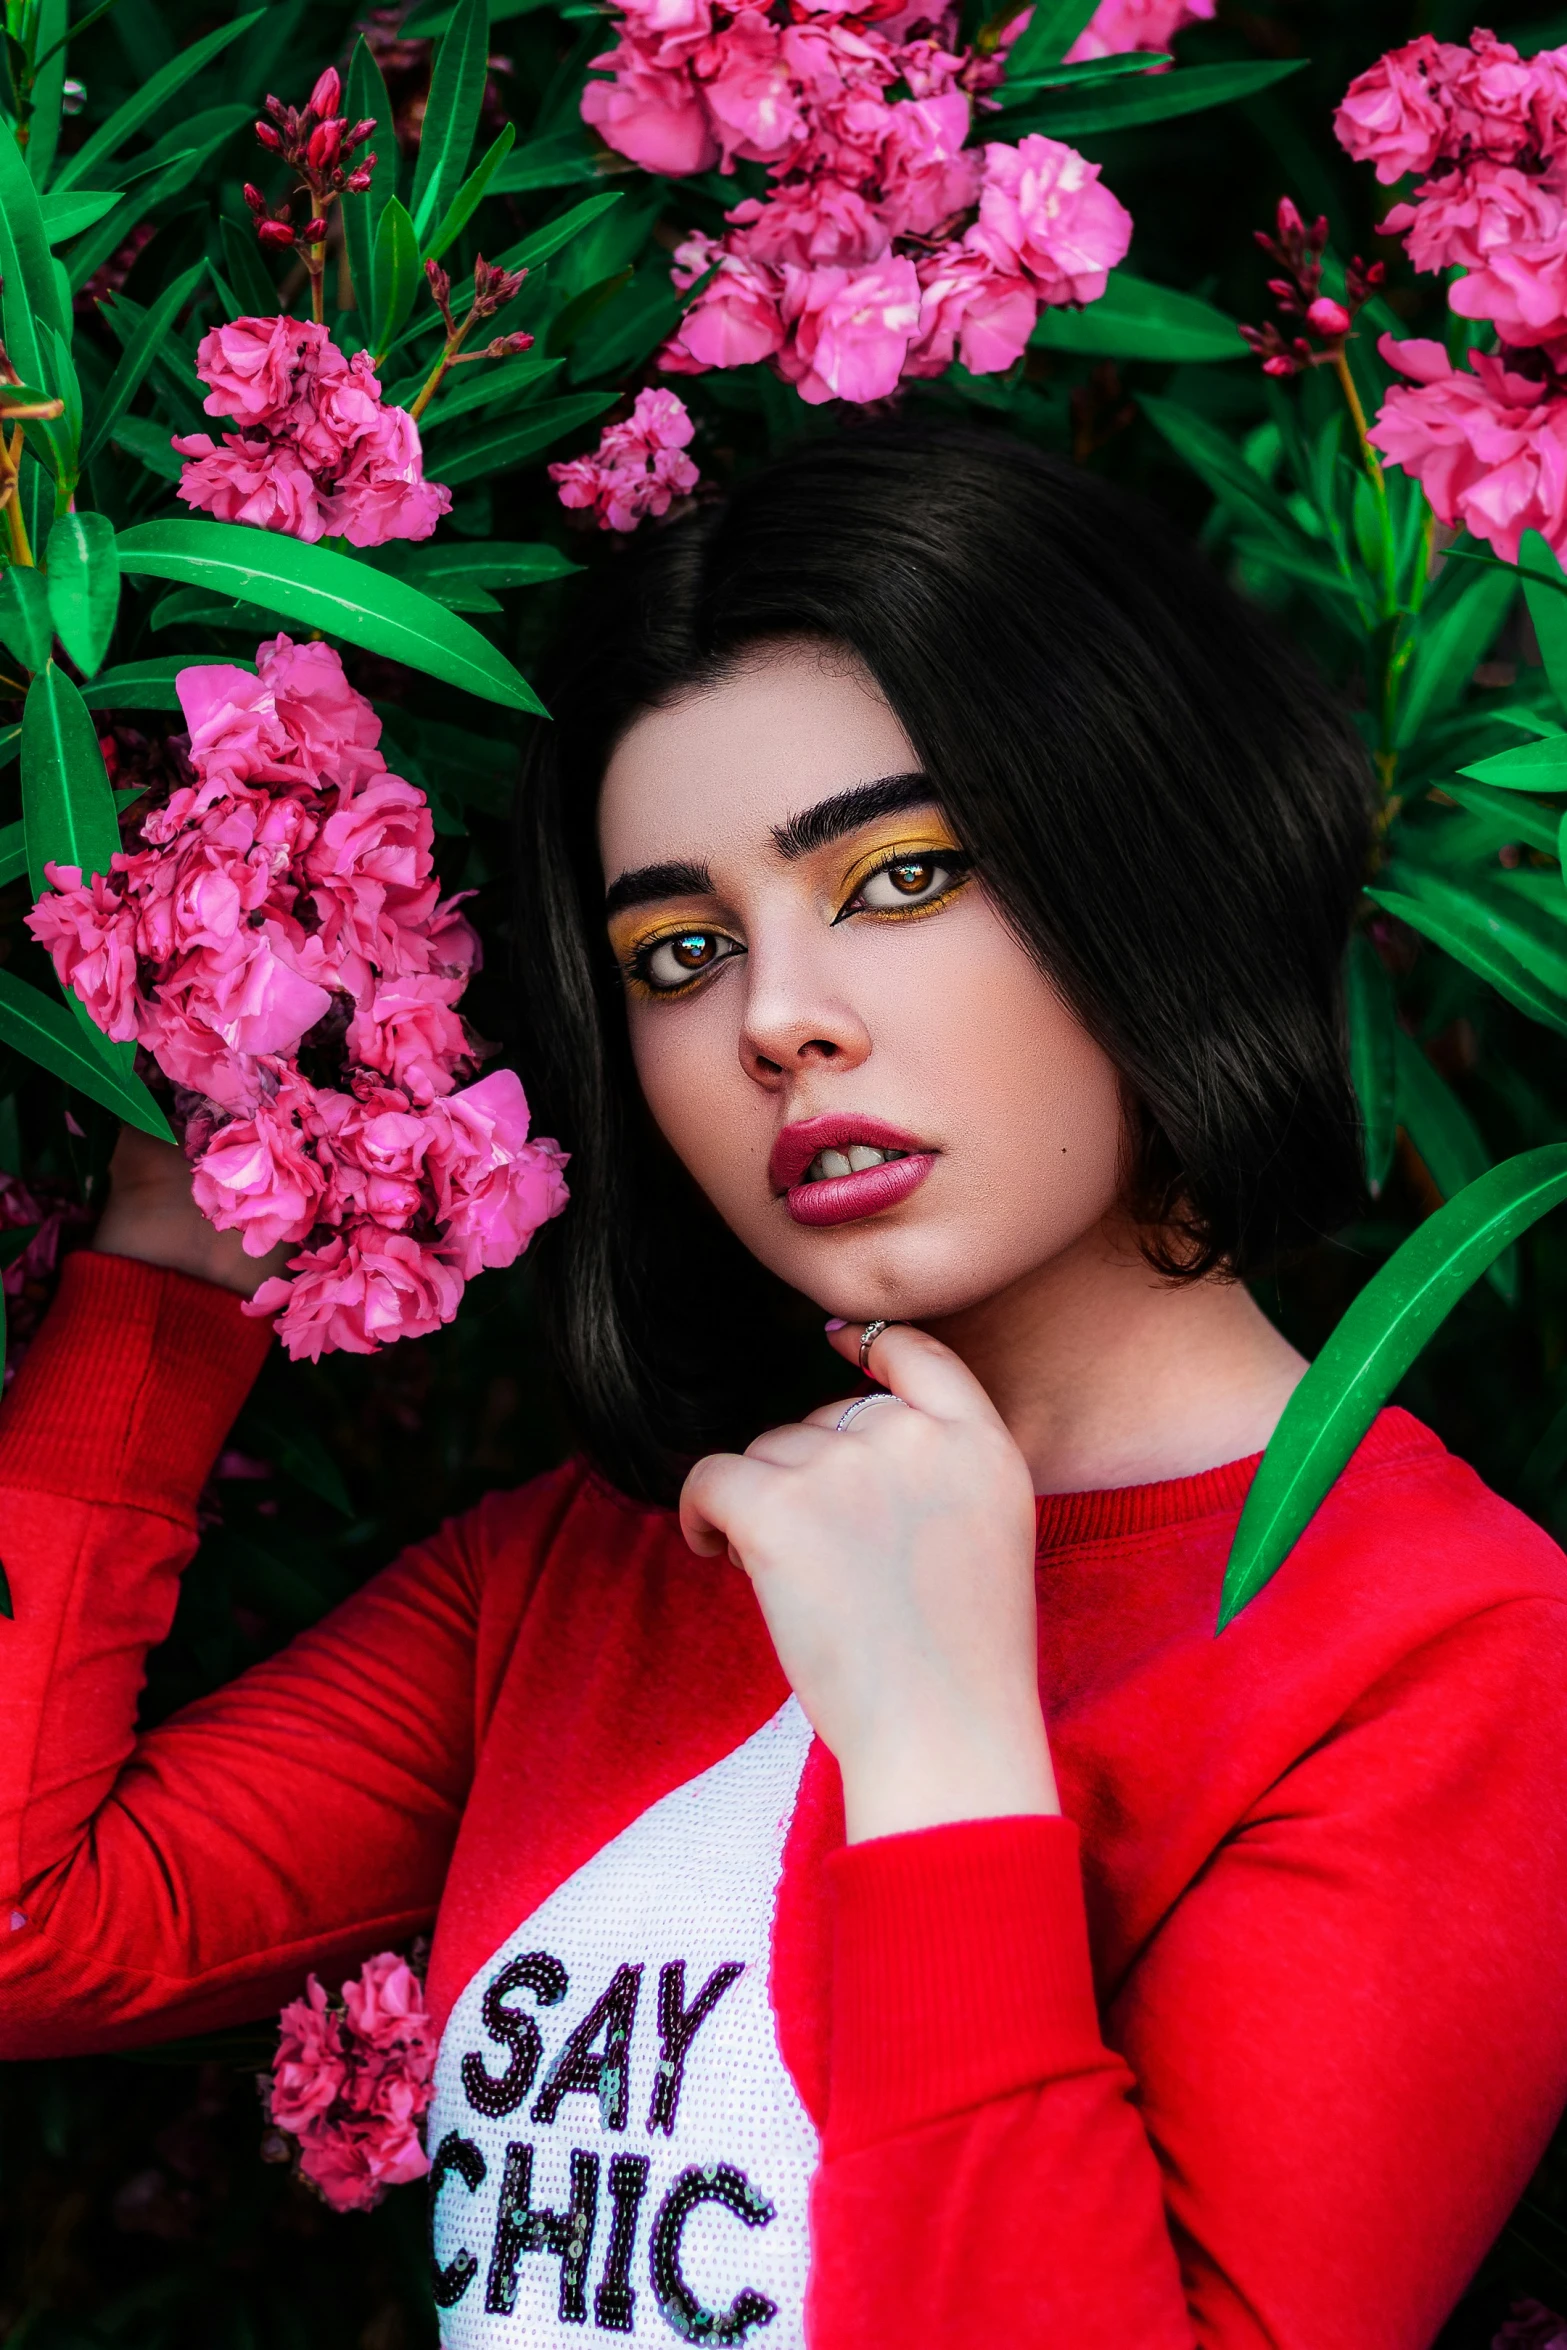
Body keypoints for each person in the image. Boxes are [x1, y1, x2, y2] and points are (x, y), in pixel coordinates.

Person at [2, 421, 1565, 2350]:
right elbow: (28, 1925)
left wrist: (938, 1753)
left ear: (1155, 860)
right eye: (678, 947)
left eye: (900, 875)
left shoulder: (1448, 1658)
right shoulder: (606, 1565)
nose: (773, 1018)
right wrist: (179, 1245)